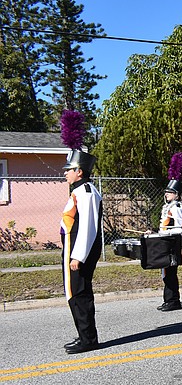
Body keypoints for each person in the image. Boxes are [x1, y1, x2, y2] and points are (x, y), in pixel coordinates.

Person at [60, 149, 103, 354]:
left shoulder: (86, 191)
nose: (65, 173)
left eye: (68, 170)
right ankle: (83, 334)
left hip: (80, 250)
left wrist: (78, 256)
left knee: (80, 292)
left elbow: (88, 226)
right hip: (73, 247)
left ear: (79, 171)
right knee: (74, 292)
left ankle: (88, 339)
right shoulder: (78, 190)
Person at [155, 176, 182, 311]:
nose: (166, 194)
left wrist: (167, 232)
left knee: (169, 271)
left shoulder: (177, 207)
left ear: (177, 194)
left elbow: (181, 227)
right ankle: (168, 299)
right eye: (166, 191)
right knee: (165, 271)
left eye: (170, 192)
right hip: (165, 241)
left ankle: (173, 300)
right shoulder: (168, 206)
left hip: (172, 242)